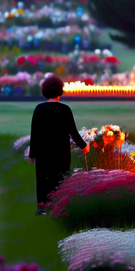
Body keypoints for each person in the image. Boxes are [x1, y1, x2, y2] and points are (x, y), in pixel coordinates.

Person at [28, 74, 89, 215]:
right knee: (60, 180)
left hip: (43, 154)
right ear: (60, 91)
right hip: (60, 153)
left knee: (43, 181)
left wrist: (32, 155)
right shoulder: (65, 110)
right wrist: (84, 146)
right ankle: (59, 206)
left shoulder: (39, 109)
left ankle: (42, 207)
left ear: (45, 91)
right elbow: (73, 132)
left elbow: (34, 133)